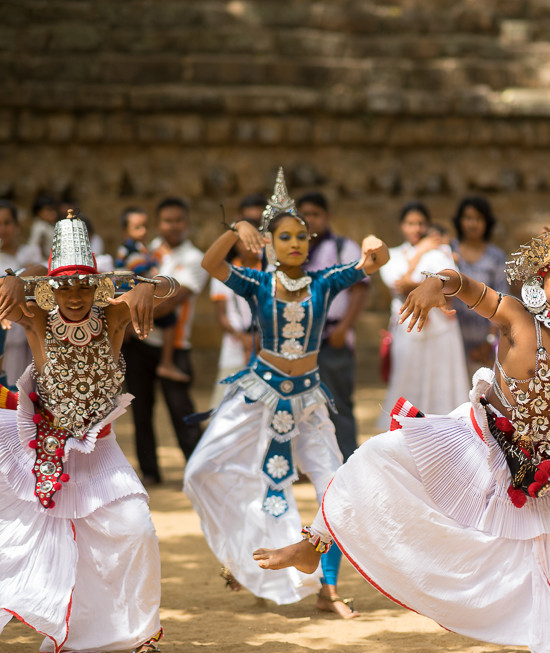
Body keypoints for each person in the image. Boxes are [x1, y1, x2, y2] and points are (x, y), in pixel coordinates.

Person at [253, 228, 550, 653]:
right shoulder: (518, 318)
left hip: (537, 468)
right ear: (539, 283)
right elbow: (465, 286)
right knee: (379, 455)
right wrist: (436, 283)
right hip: (478, 443)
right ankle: (315, 543)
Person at [184, 168, 388, 615]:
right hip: (258, 395)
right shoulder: (257, 284)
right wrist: (236, 229)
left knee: (334, 487)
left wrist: (374, 242)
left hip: (309, 401)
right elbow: (211, 266)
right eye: (284, 237)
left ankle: (327, 586)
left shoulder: (325, 281)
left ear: (310, 242)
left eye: (302, 236)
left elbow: (378, 260)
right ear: (270, 244)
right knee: (199, 471)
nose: (295, 244)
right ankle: (245, 557)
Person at [0, 211, 174, 653]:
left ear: (97, 287)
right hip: (45, 446)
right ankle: (68, 620)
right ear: (49, 290)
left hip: (99, 449)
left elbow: (167, 285)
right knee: (31, 540)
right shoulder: (35, 316)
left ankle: (144, 636)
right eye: (63, 287)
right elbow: (10, 292)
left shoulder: (113, 316)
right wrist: (17, 278)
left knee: (137, 528)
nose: (74, 296)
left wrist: (146, 285)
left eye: (83, 286)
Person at [122, 197, 207, 485]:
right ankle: (150, 473)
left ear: (187, 223)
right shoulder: (144, 251)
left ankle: (199, 473)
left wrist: (129, 319)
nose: (174, 226)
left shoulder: (195, 259)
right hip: (139, 345)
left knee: (182, 411)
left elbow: (172, 303)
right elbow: (123, 286)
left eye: (179, 220)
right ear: (159, 223)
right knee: (141, 411)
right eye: (168, 220)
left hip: (175, 344)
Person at [378, 201, 467, 428]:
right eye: (410, 223)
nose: (416, 228)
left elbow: (450, 285)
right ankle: (404, 432)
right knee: (408, 379)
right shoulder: (394, 254)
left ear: (427, 225)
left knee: (444, 383)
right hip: (409, 327)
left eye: (420, 223)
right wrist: (421, 254)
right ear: (401, 226)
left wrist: (421, 282)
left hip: (442, 329)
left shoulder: (442, 252)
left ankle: (448, 434)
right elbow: (398, 283)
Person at [297, 191, 368, 461]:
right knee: (300, 404)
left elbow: (360, 291)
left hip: (334, 336)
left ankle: (348, 460)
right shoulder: (294, 249)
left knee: (337, 401)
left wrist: (344, 329)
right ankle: (307, 464)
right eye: (305, 215)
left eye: (315, 214)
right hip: (300, 341)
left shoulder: (342, 248)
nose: (310, 220)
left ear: (326, 217)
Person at [115, 206, 189, 383]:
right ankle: (166, 362)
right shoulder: (130, 249)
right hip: (128, 293)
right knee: (169, 319)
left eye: (145, 226)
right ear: (125, 230)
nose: (144, 231)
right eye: (137, 227)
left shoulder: (141, 247)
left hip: (134, 292)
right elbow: (140, 270)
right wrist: (153, 272)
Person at [208, 195, 265, 406]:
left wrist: (258, 339)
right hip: (234, 345)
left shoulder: (269, 270)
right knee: (224, 406)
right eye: (242, 239)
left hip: (265, 345)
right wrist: (242, 338)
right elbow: (221, 315)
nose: (248, 244)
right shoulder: (226, 270)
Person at [449, 195, 508, 369]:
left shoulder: (496, 257)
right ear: (459, 221)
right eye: (468, 218)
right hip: (450, 340)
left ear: (487, 222)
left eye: (478, 219)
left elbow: (501, 300)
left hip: (485, 344)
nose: (473, 224)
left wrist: (489, 342)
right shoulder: (448, 251)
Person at [0, 200, 45, 384]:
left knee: (22, 390)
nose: (2, 229)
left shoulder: (29, 255)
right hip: (2, 334)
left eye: (7, 223)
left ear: (17, 226)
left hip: (25, 335)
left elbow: (43, 272)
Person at [26, 194, 59, 259]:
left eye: (54, 210)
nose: (53, 213)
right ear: (39, 212)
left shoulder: (51, 226)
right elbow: (33, 247)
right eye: (49, 210)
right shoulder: (39, 227)